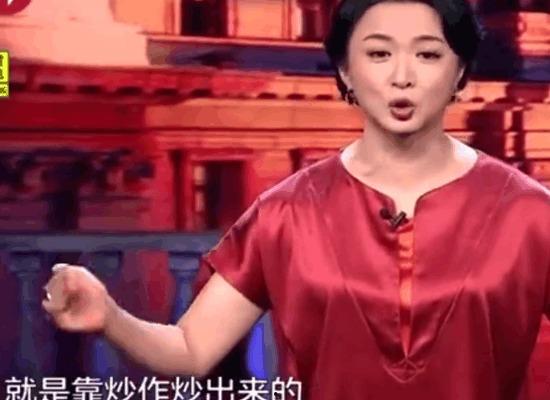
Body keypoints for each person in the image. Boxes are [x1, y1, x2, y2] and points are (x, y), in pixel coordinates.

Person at [42, 0, 550, 399]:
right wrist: (110, 317)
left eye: (428, 54)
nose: (402, 76)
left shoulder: (529, 211)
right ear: (345, 73)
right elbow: (192, 348)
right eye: (378, 54)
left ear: (460, 72)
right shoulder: (286, 210)